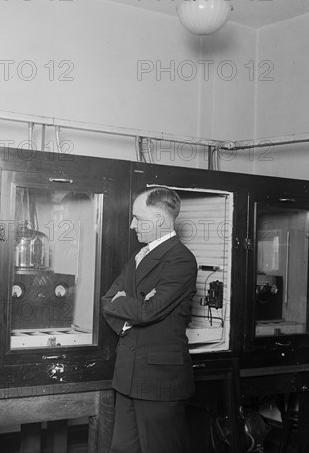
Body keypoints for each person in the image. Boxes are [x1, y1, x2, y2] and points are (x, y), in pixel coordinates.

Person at [102, 186, 198, 453]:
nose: (132, 225)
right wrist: (134, 309)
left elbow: (149, 311)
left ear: (158, 220)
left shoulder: (181, 260)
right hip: (127, 376)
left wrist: (129, 305)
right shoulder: (138, 256)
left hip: (160, 381)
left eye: (138, 218)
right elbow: (107, 302)